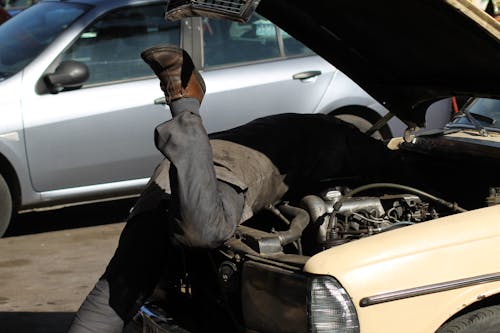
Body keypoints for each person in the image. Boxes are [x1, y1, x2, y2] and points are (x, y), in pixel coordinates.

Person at [68, 45, 405, 333]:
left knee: (117, 290)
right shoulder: (341, 142)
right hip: (226, 168)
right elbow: (396, 168)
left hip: (183, 170)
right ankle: (184, 101)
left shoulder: (321, 137)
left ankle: (186, 104)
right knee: (201, 234)